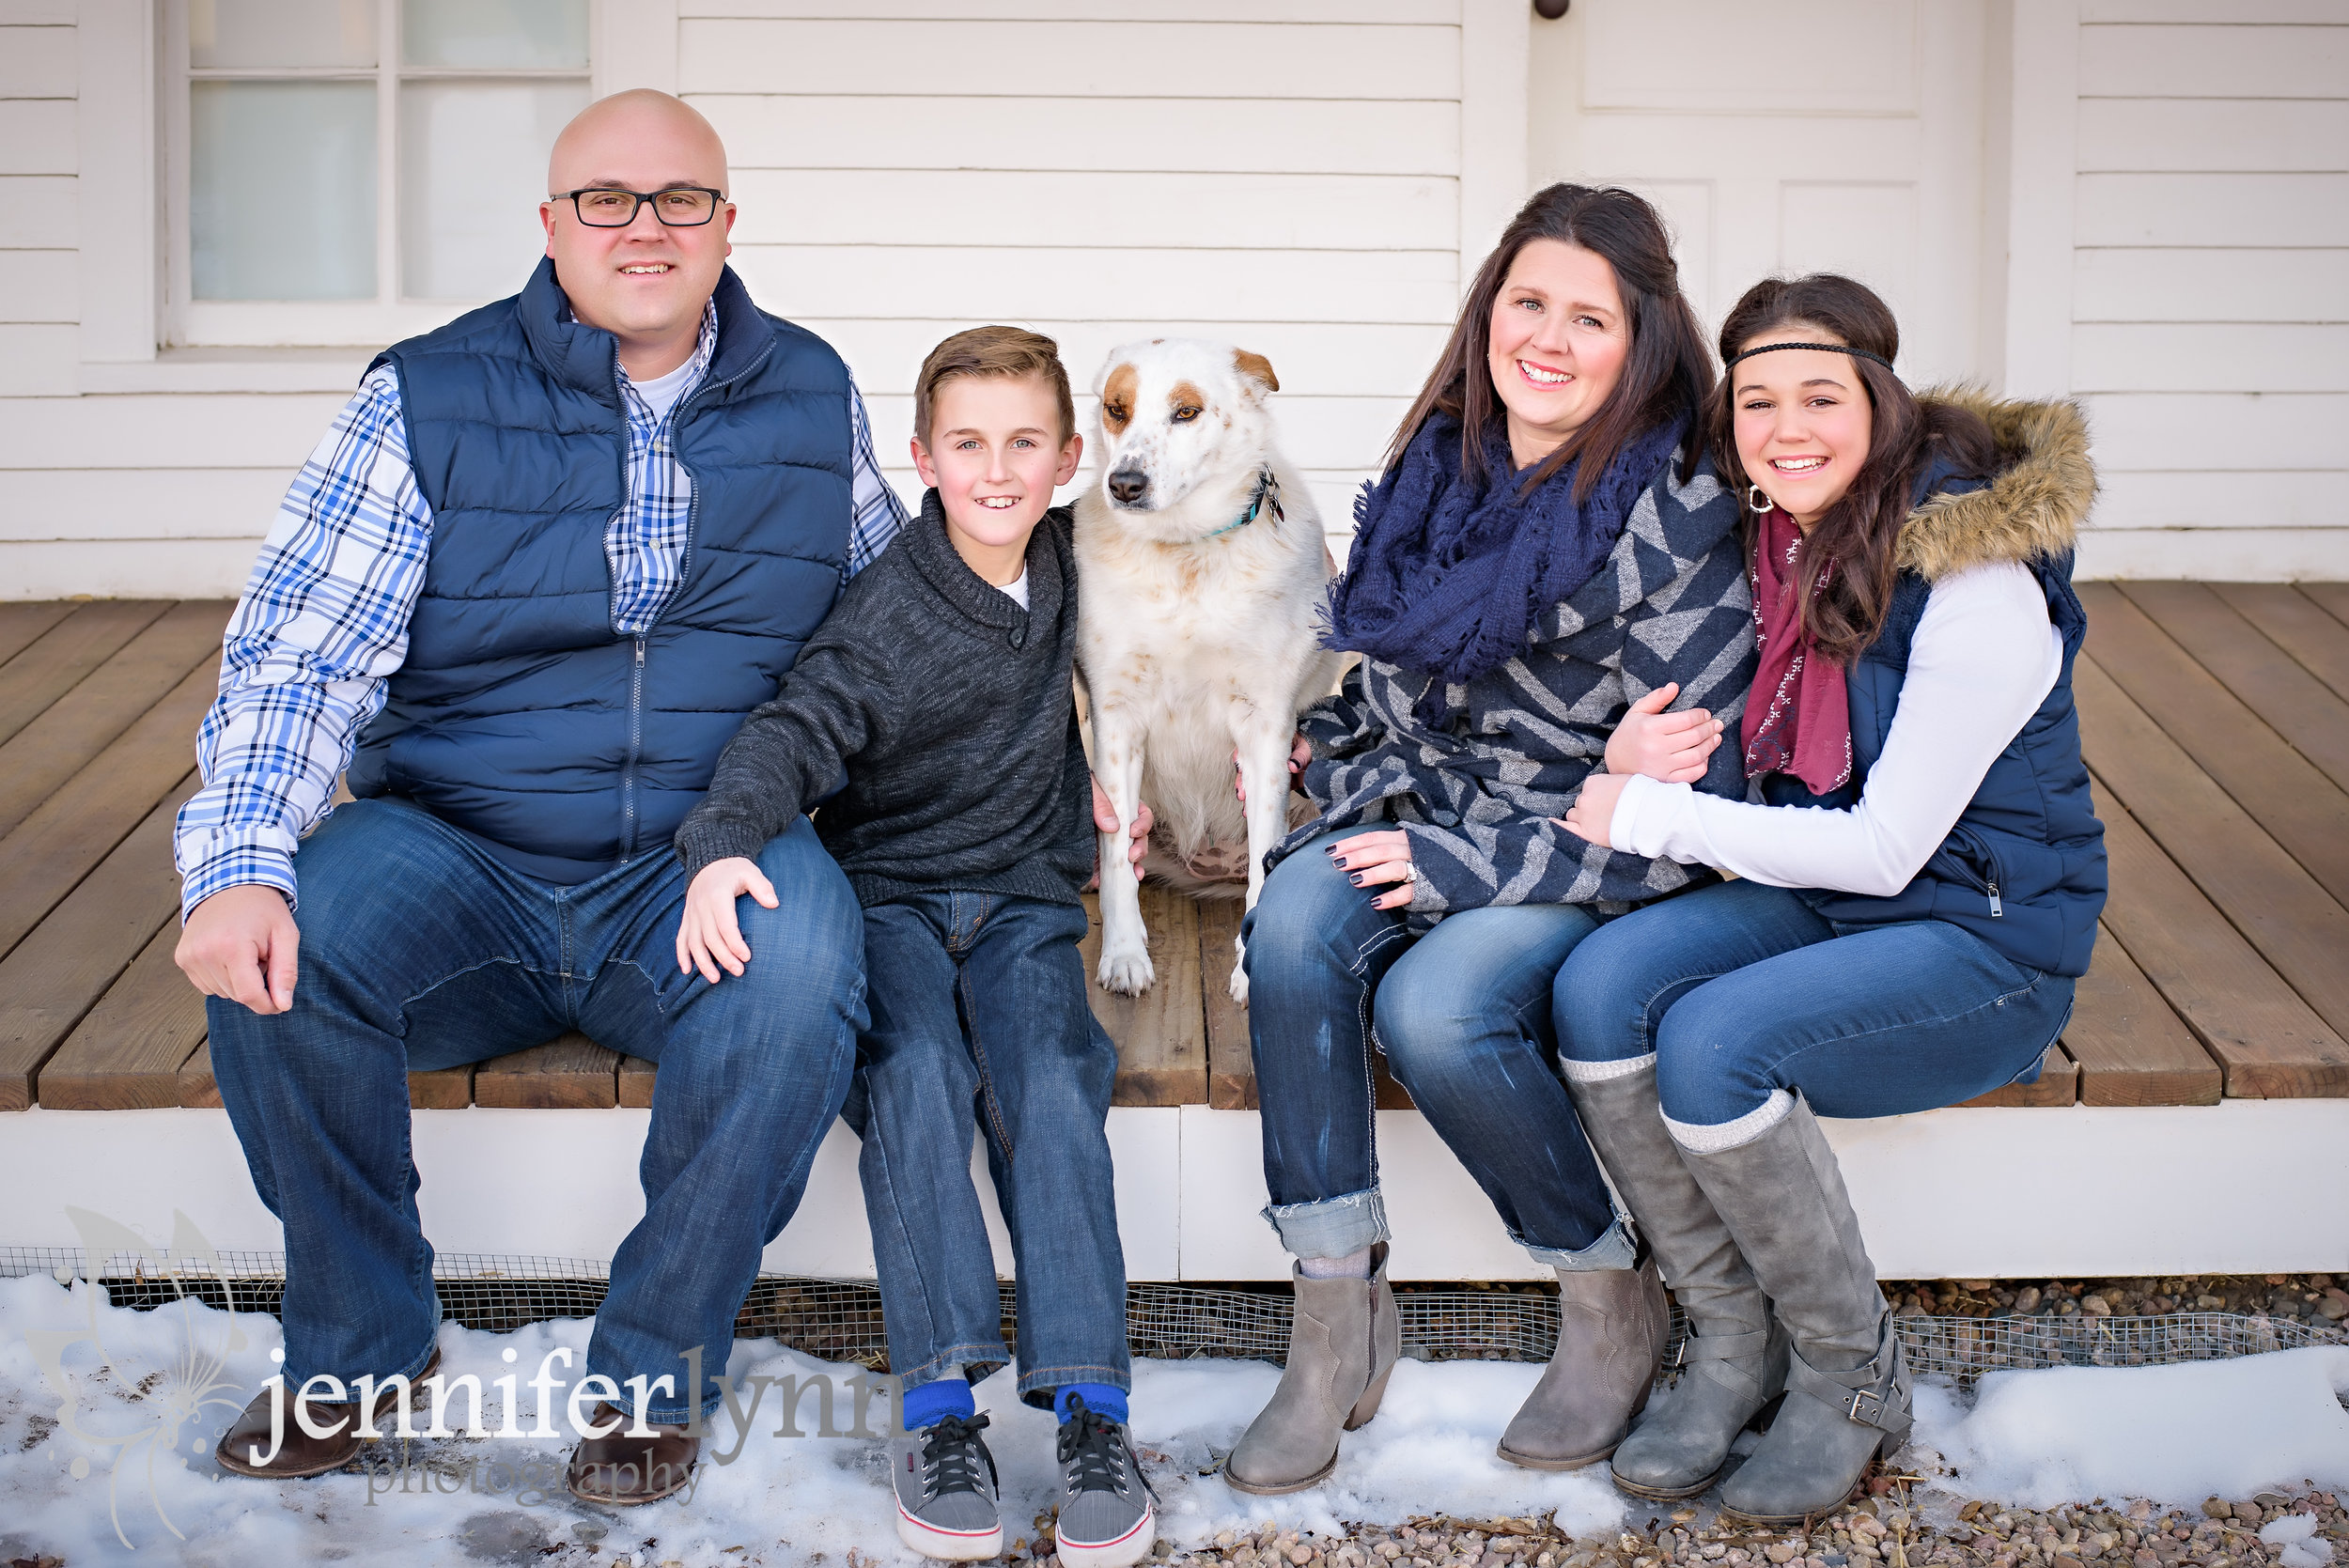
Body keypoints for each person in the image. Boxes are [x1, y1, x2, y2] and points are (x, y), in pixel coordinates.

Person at [170, 89, 915, 1504]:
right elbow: (297, 648)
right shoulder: (426, 394)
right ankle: (360, 1342)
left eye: (680, 198)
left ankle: (652, 1375)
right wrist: (241, 860)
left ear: (728, 222)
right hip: (457, 845)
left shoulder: (811, 392)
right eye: (606, 201)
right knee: (286, 947)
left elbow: (890, 620)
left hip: (700, 857)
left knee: (805, 967)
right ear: (552, 226)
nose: (646, 228)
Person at [1223, 183, 1759, 1496]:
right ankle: (1336, 1307)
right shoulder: (1438, 467)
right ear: (1488, 312)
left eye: (1592, 317)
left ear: (1643, 340)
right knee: (1292, 928)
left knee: (1443, 1007)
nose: (1551, 340)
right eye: (1529, 303)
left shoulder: (1676, 514)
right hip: (1423, 809)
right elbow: (1389, 689)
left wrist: (1465, 863)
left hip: (1580, 847)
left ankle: (1605, 1290)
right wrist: (1338, 757)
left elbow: (1675, 818)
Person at [1552, 273, 2105, 1519]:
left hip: (1983, 933)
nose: (1785, 426)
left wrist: (1646, 812)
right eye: (1756, 399)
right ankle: (1734, 1341)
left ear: (1883, 401)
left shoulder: (1976, 583)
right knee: (1598, 989)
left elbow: (1887, 845)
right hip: (1842, 895)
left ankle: (1855, 1377)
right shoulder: (1784, 539)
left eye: (1820, 395)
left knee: (1711, 1040)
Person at [673, 328, 1155, 1568]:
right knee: (919, 1076)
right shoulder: (885, 610)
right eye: (968, 444)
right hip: (886, 895)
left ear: (1066, 459)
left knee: (1052, 1077)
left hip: (1028, 901)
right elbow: (788, 733)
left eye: (1025, 443)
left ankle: (1093, 1407)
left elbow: (1205, 563)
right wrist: (726, 841)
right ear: (920, 455)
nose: (997, 470)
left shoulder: (1075, 557)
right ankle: (939, 1410)